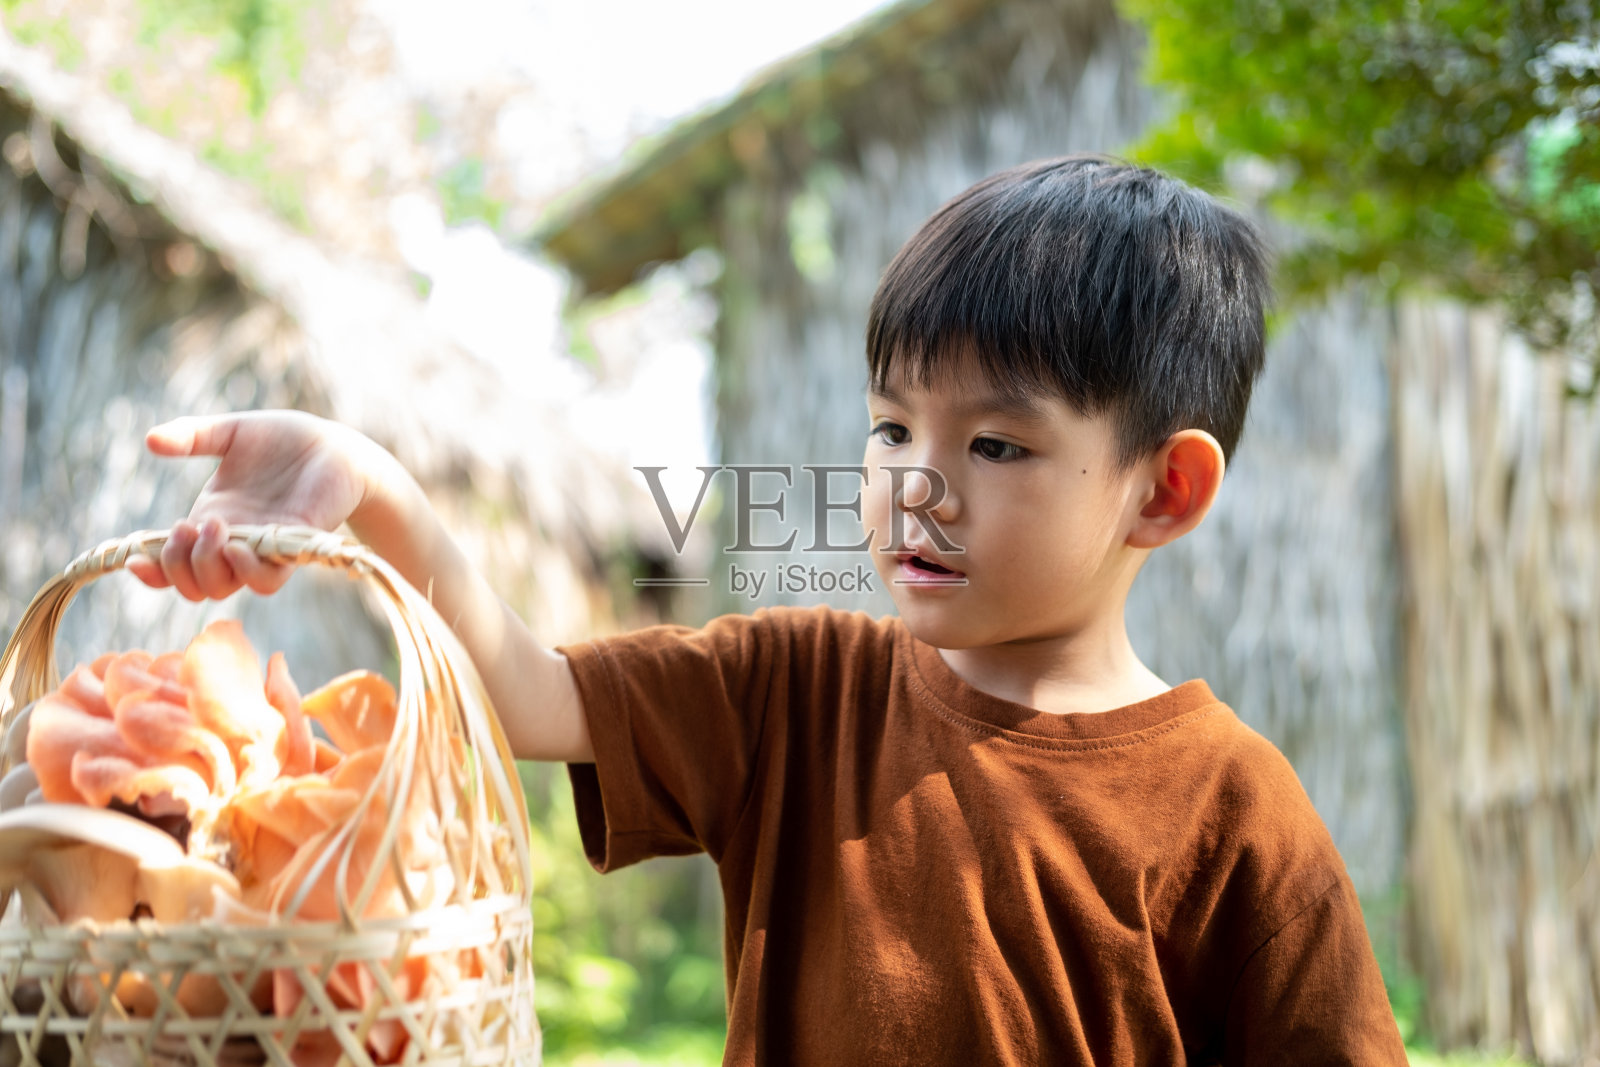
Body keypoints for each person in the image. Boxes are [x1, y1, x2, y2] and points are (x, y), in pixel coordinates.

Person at [132, 156, 1408, 1065]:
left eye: (998, 446)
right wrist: (378, 491)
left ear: (1163, 489)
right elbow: (526, 691)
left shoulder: (1234, 810)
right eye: (893, 427)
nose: (917, 483)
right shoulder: (799, 687)